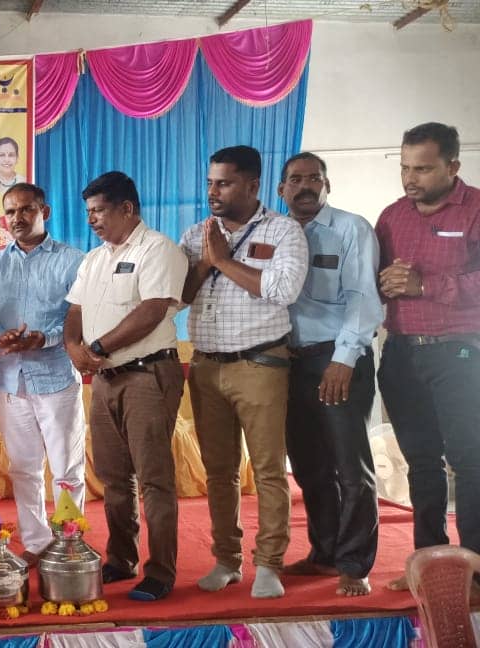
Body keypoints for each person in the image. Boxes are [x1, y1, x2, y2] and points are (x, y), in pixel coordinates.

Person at [179, 145, 308, 599]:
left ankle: (269, 564)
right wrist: (204, 260)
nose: (213, 192)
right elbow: (180, 296)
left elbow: (282, 290)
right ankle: (226, 560)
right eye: (210, 182)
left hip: (260, 363)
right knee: (219, 472)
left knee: (269, 470)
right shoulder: (197, 234)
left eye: (225, 183)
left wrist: (223, 261)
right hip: (206, 366)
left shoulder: (283, 230)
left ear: (253, 185)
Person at [63, 172, 188, 601]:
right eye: (88, 212)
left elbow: (152, 310)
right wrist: (73, 347)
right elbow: (74, 310)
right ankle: (121, 558)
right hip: (105, 379)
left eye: (98, 211)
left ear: (127, 208)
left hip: (147, 375)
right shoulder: (94, 259)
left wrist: (97, 347)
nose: (91, 220)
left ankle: (161, 571)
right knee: (113, 477)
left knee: (153, 478)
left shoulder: (158, 249)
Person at [375, 123, 480, 592]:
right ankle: (428, 565)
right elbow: (376, 278)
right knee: (420, 462)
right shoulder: (392, 216)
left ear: (453, 166)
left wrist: (426, 285)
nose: (410, 178)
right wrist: (384, 283)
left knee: (470, 460)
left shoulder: (476, 210)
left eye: (422, 169)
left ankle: (476, 570)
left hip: (460, 353)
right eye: (404, 168)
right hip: (401, 353)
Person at [278, 153, 383, 597]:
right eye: (295, 179)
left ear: (327, 184)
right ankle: (324, 553)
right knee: (309, 466)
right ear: (282, 188)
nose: (305, 186)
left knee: (350, 467)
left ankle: (354, 563)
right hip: (288, 363)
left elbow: (363, 298)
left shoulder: (350, 229)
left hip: (337, 359)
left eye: (313, 179)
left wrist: (343, 360)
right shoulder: (276, 233)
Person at [0, 182, 85, 566]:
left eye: (26, 209)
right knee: (23, 469)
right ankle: (36, 544)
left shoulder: (72, 261)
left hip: (56, 378)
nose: (17, 218)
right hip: (10, 380)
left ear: (44, 212)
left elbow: (81, 317)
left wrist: (45, 338)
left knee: (67, 469)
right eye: (11, 211)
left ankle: (69, 543)